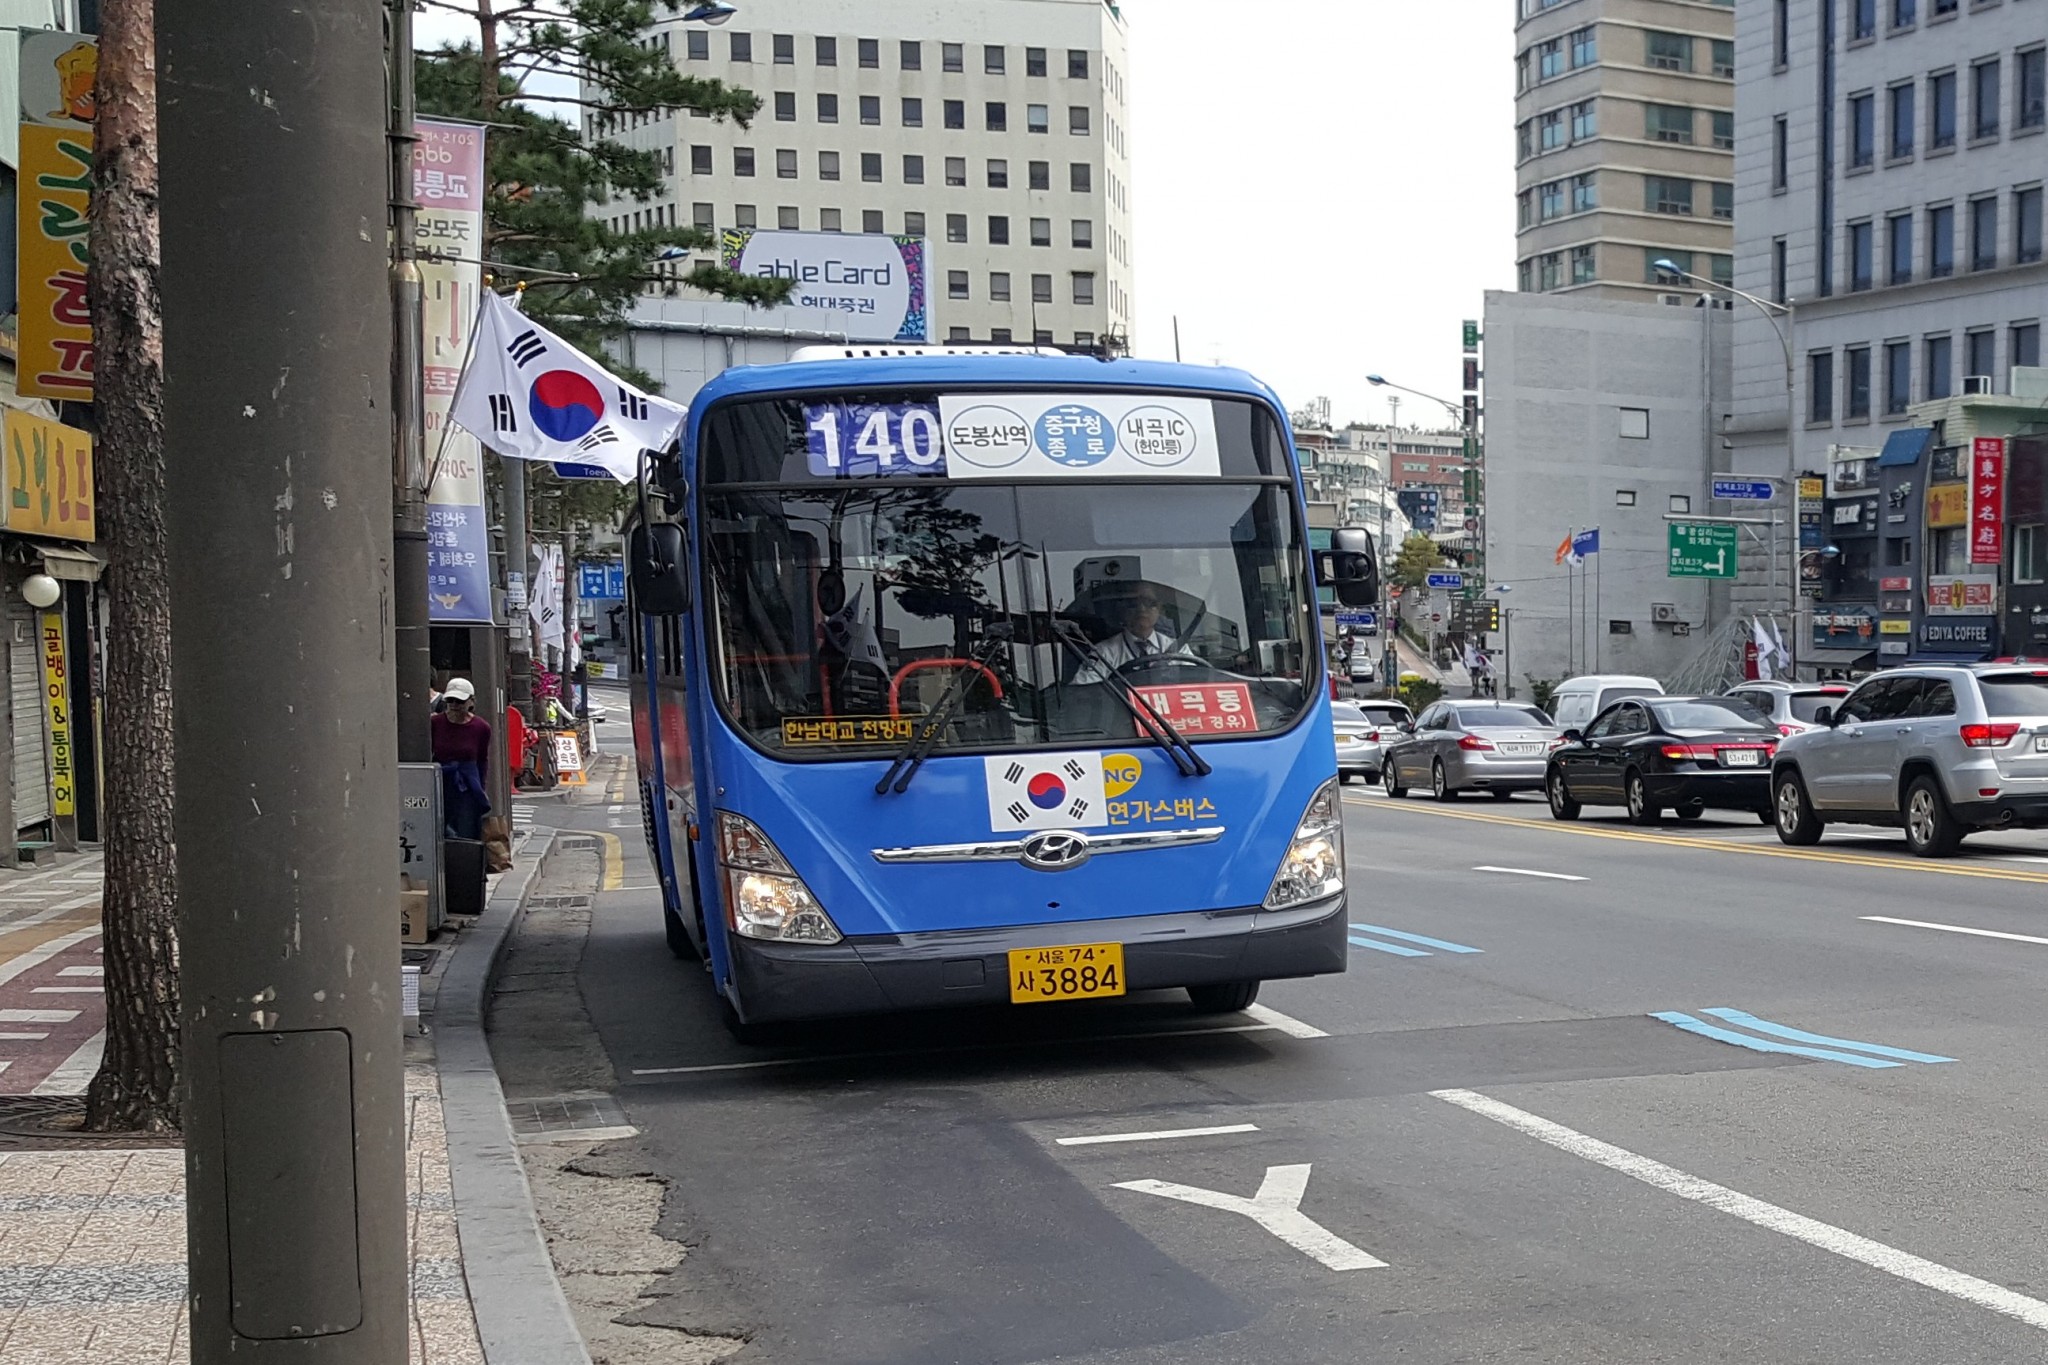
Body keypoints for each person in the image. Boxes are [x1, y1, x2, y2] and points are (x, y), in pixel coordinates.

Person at [1071, 585, 1194, 683]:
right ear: (1122, 610)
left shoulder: (1179, 649)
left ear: (1160, 610)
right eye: (1133, 604)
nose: (1142, 609)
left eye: (1150, 603)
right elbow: (1082, 692)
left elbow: (1198, 684)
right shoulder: (1104, 652)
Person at [431, 677, 492, 841]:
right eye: (450, 700)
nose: (454, 705)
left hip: (467, 784)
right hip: (442, 780)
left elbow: (482, 760)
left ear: (471, 701)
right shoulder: (435, 722)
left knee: (467, 828)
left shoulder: (481, 727)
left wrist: (481, 787)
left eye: (459, 701)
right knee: (439, 827)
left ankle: (466, 862)